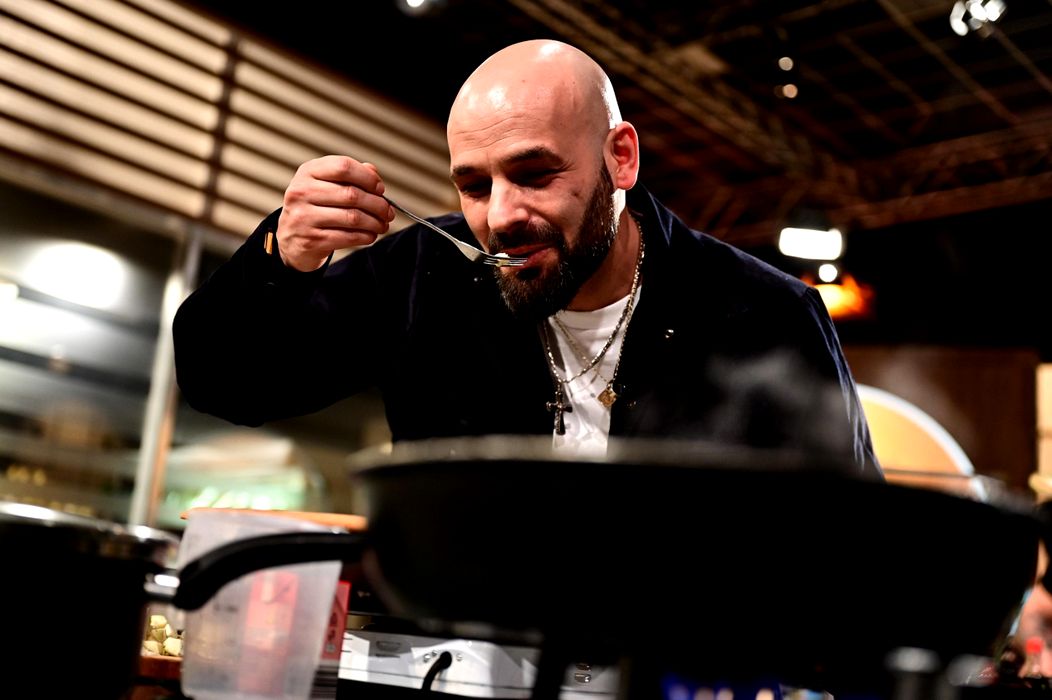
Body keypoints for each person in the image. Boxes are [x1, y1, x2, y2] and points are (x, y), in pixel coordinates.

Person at [173, 39, 881, 478]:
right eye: (475, 186)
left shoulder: (762, 315)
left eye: (535, 174)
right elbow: (224, 383)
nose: (503, 215)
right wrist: (283, 255)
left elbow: (851, 543)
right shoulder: (423, 275)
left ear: (620, 158)